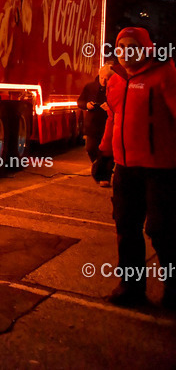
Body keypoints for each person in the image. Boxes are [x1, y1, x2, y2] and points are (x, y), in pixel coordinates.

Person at [100, 26, 176, 309]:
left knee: (161, 230)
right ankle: (130, 286)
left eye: (132, 46)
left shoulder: (165, 74)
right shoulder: (117, 80)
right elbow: (114, 118)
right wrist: (104, 153)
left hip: (161, 169)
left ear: (146, 48)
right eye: (120, 47)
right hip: (125, 168)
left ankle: (174, 287)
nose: (125, 52)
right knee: (126, 227)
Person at [79, 63, 114, 187]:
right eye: (102, 78)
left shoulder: (116, 89)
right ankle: (98, 166)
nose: (104, 81)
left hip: (108, 125)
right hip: (93, 125)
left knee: (107, 153)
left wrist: (110, 108)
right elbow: (80, 101)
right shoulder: (90, 87)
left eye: (107, 78)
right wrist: (87, 105)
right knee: (91, 149)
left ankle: (105, 177)